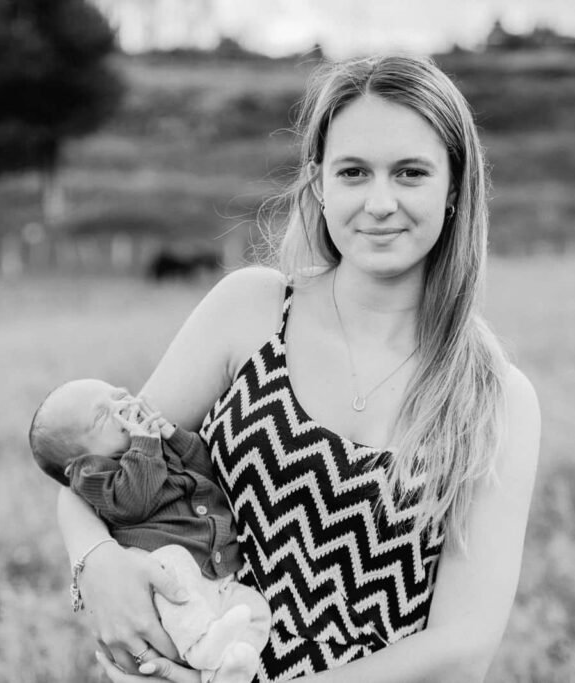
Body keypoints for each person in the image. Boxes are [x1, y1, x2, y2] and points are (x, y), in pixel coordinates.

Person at [55, 54, 541, 683]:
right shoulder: (250, 311)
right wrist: (96, 565)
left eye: (411, 173)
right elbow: (91, 476)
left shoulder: (494, 397)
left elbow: (464, 648)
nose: (380, 202)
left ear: (453, 189)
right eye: (354, 172)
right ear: (319, 184)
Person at [28, 379, 271, 683]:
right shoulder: (93, 474)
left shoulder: (152, 445)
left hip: (218, 578)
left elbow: (206, 471)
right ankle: (201, 647)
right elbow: (135, 501)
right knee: (173, 564)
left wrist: (174, 436)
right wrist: (145, 443)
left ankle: (232, 664)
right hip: (169, 580)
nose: (122, 408)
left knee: (254, 610)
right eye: (102, 415)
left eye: (120, 396)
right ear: (75, 463)